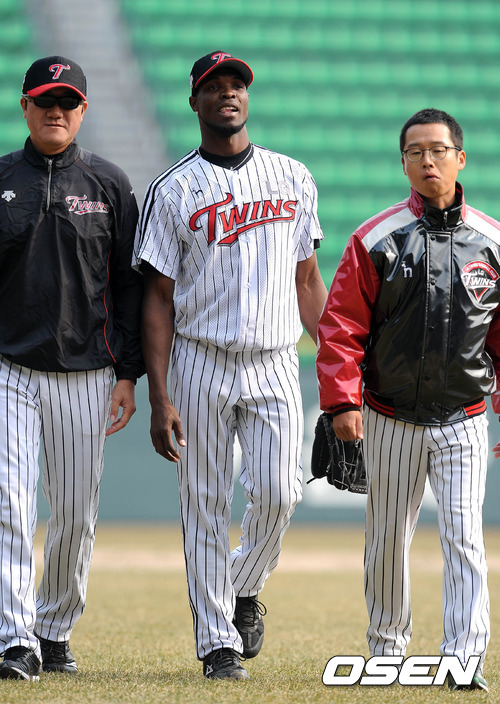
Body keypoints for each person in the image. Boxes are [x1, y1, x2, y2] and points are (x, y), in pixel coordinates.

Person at [134, 50, 327, 680]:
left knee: (282, 492)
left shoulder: (292, 176)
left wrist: (338, 368)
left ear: (248, 96)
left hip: (275, 359)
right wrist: (159, 395)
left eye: (236, 84)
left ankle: (243, 585)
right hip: (200, 358)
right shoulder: (172, 189)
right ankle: (217, 643)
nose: (227, 94)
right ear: (194, 101)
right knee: (205, 503)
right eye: (213, 86)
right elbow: (157, 299)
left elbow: (307, 281)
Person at [316, 108, 500, 693]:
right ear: (403, 164)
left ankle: (463, 657)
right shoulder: (375, 238)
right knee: (387, 539)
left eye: (438, 150)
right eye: (415, 152)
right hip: (389, 417)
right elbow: (341, 327)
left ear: (460, 158)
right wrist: (342, 403)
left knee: (464, 537)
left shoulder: (492, 241)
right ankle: (388, 648)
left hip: (465, 417)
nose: (428, 160)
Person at [0, 56, 143, 680]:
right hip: (8, 368)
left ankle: (53, 628)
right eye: (44, 101)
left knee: (76, 514)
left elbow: (131, 287)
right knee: (9, 506)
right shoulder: (1, 178)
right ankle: (14, 639)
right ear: (25, 107)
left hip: (86, 373)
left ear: (83, 110)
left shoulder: (109, 183)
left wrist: (128, 373)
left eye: (67, 102)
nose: (55, 111)